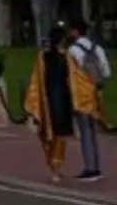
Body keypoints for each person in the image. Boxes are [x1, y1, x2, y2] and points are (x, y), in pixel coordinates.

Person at [25, 25, 99, 182]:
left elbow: (76, 78)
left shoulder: (65, 57)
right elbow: (37, 80)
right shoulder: (45, 57)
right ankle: (55, 166)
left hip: (59, 99)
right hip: (51, 100)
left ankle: (55, 167)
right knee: (53, 133)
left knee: (57, 134)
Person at [66, 19, 110, 181]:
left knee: (85, 132)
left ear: (75, 31)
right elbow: (105, 72)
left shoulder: (72, 51)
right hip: (95, 95)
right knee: (93, 131)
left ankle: (90, 168)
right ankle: (95, 166)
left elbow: (70, 74)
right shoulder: (97, 48)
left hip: (81, 96)